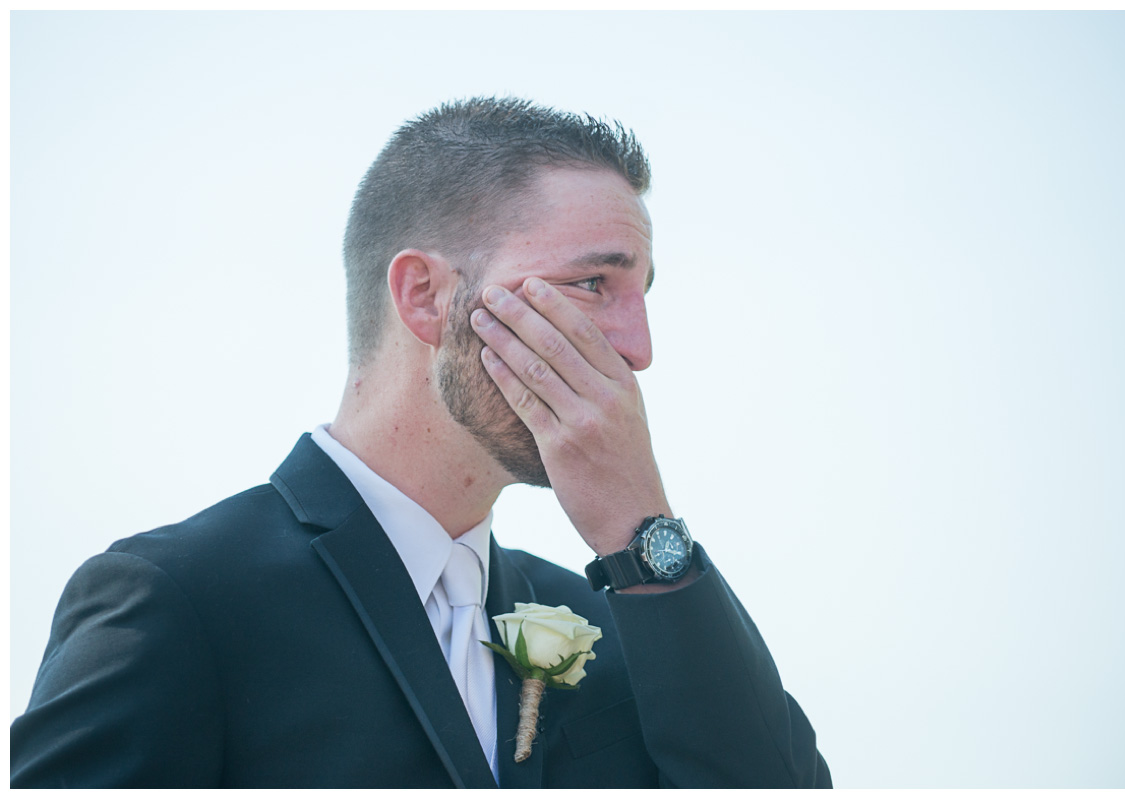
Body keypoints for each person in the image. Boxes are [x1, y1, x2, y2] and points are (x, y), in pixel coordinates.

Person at [10, 97, 832, 789]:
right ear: (426, 297)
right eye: (592, 284)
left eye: (640, 295)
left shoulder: (619, 624)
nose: (638, 346)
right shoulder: (177, 599)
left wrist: (643, 532)